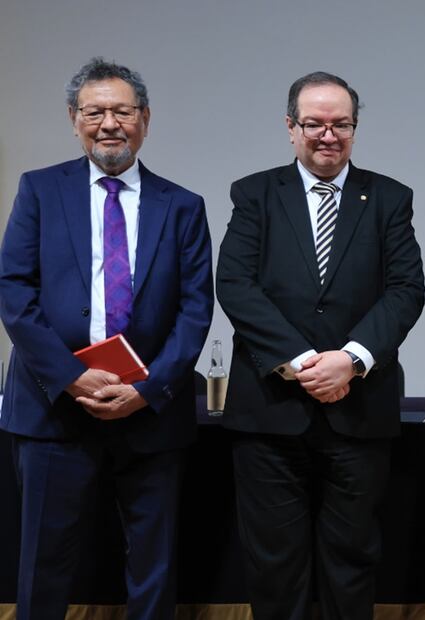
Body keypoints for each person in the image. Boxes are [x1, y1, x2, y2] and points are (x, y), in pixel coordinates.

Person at [0, 57, 214, 618]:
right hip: (51, 409)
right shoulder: (40, 190)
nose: (109, 124)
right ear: (74, 119)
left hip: (150, 411)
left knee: (154, 564)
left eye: (122, 111)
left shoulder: (183, 205)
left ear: (145, 119)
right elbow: (15, 294)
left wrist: (148, 389)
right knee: (43, 562)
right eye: (95, 112)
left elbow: (195, 310)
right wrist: (71, 376)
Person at [216, 71, 425, 620]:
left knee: (351, 561)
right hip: (270, 411)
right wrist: (305, 362)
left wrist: (351, 361)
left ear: (355, 128)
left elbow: (406, 290)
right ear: (291, 128)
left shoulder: (389, 198)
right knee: (274, 567)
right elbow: (235, 283)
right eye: (314, 124)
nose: (327, 135)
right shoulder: (255, 193)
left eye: (341, 124)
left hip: (359, 410)